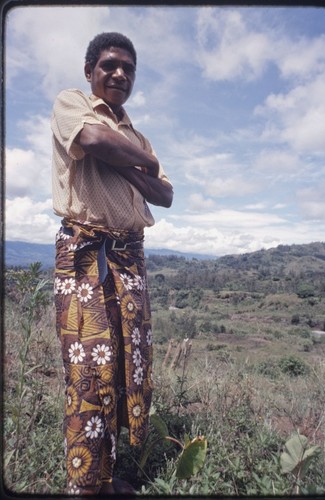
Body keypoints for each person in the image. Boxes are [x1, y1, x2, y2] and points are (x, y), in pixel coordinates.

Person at [51, 32, 173, 496]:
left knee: (125, 368)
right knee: (88, 371)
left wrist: (123, 158)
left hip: (130, 259)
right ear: (90, 71)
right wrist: (140, 162)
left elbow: (165, 194)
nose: (120, 73)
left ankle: (106, 475)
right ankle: (83, 483)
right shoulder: (71, 102)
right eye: (109, 64)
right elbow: (94, 138)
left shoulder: (137, 133)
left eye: (129, 68)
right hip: (84, 254)